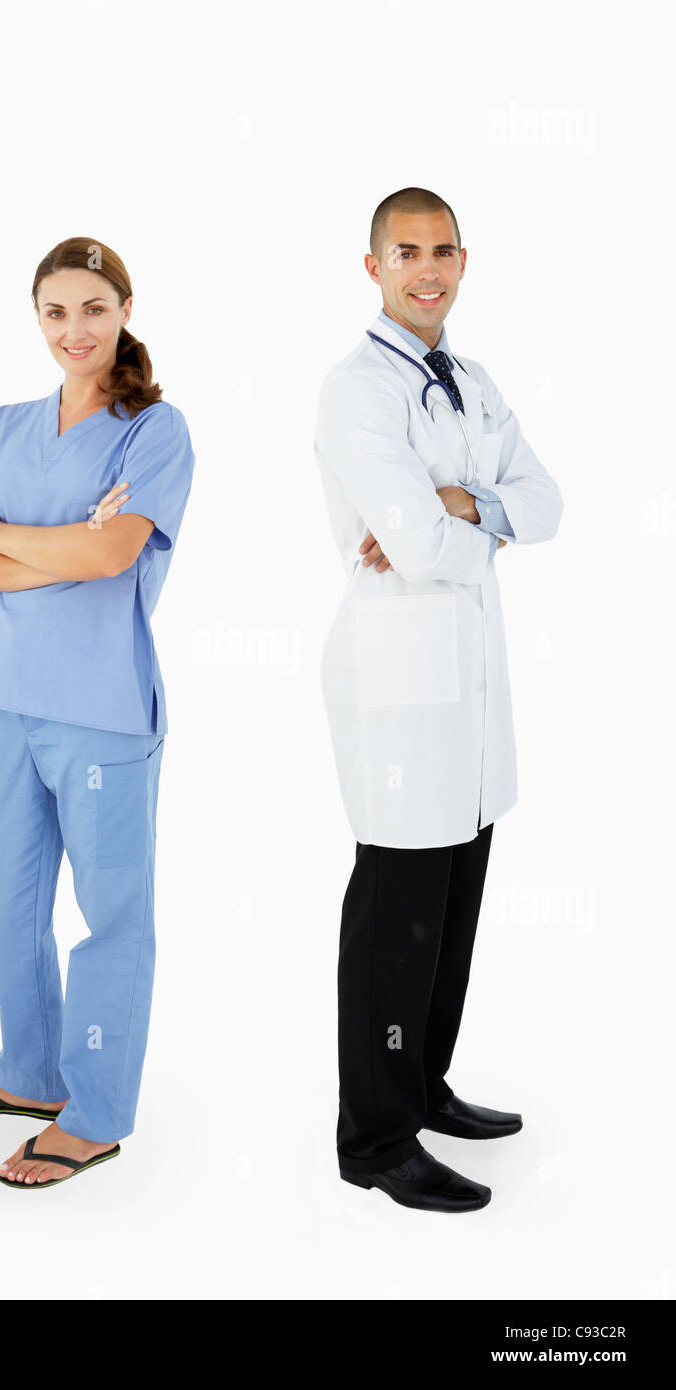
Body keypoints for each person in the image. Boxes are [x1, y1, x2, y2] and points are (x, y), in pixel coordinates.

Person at [315, 188, 563, 1213]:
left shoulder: (471, 380)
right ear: (370, 265)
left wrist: (462, 502)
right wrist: (453, 522)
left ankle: (421, 1086)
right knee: (396, 916)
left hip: (467, 689)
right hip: (399, 685)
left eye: (443, 249)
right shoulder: (355, 390)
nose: (428, 267)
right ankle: (374, 1139)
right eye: (405, 250)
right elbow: (411, 549)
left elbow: (547, 504)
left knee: (452, 907)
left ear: (463, 260)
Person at [0, 237, 195, 1189]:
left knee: (110, 916)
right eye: (55, 312)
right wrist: (58, 546)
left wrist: (7, 538)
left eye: (92, 308)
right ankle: (31, 1077)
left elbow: (109, 558)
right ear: (37, 319)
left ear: (123, 309)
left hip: (99, 712)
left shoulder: (153, 432)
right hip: (2, 699)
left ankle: (93, 1116)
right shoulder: (7, 424)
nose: (74, 329)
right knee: (0, 904)